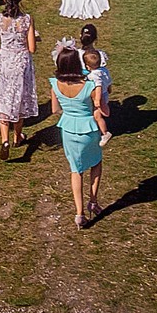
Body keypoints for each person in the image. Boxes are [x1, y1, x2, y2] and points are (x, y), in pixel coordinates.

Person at [50, 41, 111, 227]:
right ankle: (93, 201)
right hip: (89, 129)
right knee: (96, 163)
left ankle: (79, 213)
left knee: (76, 170)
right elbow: (103, 108)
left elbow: (54, 110)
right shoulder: (89, 86)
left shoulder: (55, 84)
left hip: (68, 129)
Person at [0, 0, 38, 160]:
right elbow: (32, 47)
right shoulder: (27, 20)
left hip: (5, 62)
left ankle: (5, 139)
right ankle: (17, 136)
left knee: (4, 98)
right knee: (20, 100)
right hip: (21, 63)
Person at [78, 22, 110, 109]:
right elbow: (103, 73)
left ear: (80, 36)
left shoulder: (75, 54)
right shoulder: (100, 55)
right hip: (98, 91)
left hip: (80, 90)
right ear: (95, 38)